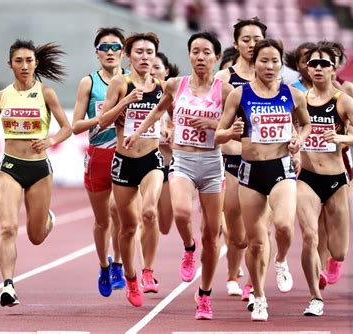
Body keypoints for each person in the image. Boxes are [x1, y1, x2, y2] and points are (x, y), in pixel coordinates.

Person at [124, 32, 233, 320]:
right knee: (182, 213)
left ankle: (205, 296)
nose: (200, 57)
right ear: (189, 55)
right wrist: (137, 131)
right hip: (183, 160)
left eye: (206, 52)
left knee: (212, 236)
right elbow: (159, 110)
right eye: (195, 51)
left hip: (211, 163)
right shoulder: (176, 84)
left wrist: (212, 123)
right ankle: (188, 247)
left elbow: (235, 126)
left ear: (216, 57)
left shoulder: (226, 91)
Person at [215, 39, 311, 321]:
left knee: (283, 225)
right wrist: (232, 131)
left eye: (275, 61)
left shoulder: (293, 95)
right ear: (253, 62)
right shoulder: (238, 94)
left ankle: (281, 260)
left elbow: (305, 124)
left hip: (281, 168)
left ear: (282, 65)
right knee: (255, 243)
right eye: (264, 61)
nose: (269, 66)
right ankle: (259, 297)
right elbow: (219, 134)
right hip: (250, 171)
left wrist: (299, 139)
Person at [0, 39, 72, 307]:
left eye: (29, 61)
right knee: (8, 227)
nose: (24, 66)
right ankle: (7, 285)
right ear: (10, 64)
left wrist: (51, 141)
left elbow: (66, 127)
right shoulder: (1, 96)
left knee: (36, 237)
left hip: (39, 170)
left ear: (36, 63)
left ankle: (47, 220)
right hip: (10, 167)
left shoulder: (46, 93)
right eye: (18, 61)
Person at [297, 45, 353, 316]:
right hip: (306, 177)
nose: (318, 67)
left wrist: (342, 138)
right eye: (313, 63)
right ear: (307, 68)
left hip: (336, 179)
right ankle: (315, 297)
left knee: (338, 252)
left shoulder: (343, 100)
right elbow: (289, 129)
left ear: (333, 69)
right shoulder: (299, 99)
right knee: (309, 235)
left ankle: (332, 263)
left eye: (324, 64)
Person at [99, 32, 165, 307]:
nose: (145, 57)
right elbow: (103, 121)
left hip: (151, 159)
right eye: (139, 52)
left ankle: (148, 271)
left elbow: (167, 118)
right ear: (129, 56)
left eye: (149, 52)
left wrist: (170, 132)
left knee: (149, 212)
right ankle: (131, 277)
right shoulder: (119, 82)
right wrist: (126, 102)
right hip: (124, 162)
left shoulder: (162, 86)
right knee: (127, 228)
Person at [215, 17, 267, 300]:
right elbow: (212, 118)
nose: (251, 44)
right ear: (235, 44)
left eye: (256, 39)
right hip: (233, 161)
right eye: (245, 39)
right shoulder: (224, 79)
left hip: (266, 161)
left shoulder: (274, 78)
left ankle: (254, 283)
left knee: (261, 228)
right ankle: (233, 274)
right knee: (237, 233)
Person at [72, 27, 126, 297]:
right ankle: (104, 265)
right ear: (97, 53)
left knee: (121, 213)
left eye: (115, 47)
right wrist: (103, 118)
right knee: (103, 220)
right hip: (98, 154)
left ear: (123, 52)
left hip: (127, 154)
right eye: (104, 47)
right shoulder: (89, 83)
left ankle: (118, 263)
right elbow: (75, 126)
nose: (110, 52)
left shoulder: (132, 81)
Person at [150, 51, 180, 235]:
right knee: (145, 216)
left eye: (157, 67)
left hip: (169, 167)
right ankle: (144, 262)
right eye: (149, 66)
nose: (152, 71)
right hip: (145, 164)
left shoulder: (178, 100)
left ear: (166, 71)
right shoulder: (137, 96)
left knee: (165, 225)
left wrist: (172, 134)